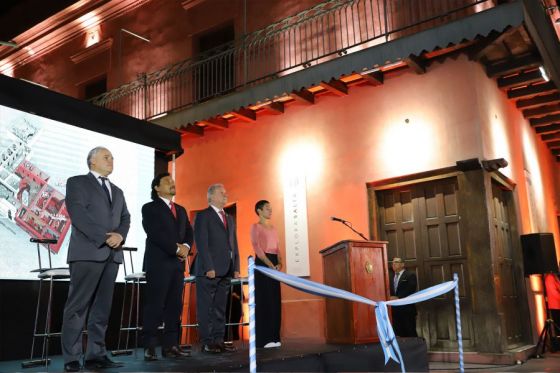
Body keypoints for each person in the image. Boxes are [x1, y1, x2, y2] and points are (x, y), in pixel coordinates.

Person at [60, 147, 130, 372]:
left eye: (112, 157)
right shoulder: (77, 182)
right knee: (78, 307)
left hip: (112, 255)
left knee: (102, 308)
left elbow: (125, 218)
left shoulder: (117, 191)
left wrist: (120, 235)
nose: (111, 160)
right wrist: (104, 238)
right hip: (87, 252)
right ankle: (72, 357)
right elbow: (77, 214)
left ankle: (96, 354)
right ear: (92, 161)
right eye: (106, 157)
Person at [142, 173, 193, 361]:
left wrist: (186, 247)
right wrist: (175, 248)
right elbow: (154, 232)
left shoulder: (180, 209)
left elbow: (188, 231)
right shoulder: (149, 208)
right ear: (156, 188)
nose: (172, 183)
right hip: (158, 262)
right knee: (155, 305)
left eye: (173, 181)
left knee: (174, 305)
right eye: (167, 182)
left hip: (177, 264)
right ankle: (149, 346)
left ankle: (171, 345)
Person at [193, 183, 240, 353]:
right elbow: (201, 243)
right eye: (222, 193)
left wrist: (236, 266)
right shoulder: (203, 216)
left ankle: (219, 340)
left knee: (220, 307)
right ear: (211, 196)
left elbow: (234, 244)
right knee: (206, 307)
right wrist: (208, 266)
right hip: (209, 270)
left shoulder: (229, 218)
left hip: (226, 269)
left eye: (226, 192)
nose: (226, 195)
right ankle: (207, 342)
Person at [250, 200, 282, 348]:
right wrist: (270, 265)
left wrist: (280, 262)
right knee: (265, 300)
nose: (270, 210)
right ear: (259, 210)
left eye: (271, 208)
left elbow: (277, 248)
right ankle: (264, 339)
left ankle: (275, 337)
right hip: (263, 264)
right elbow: (257, 248)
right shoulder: (255, 227)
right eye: (267, 208)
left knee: (275, 300)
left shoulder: (274, 228)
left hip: (274, 263)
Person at [389, 257, 418, 338]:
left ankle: (414, 350)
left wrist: (398, 297)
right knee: (398, 333)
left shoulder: (410, 275)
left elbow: (411, 289)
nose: (393, 264)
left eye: (396, 262)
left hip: (407, 310)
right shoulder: (390, 276)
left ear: (402, 264)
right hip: (394, 311)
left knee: (410, 332)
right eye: (393, 262)